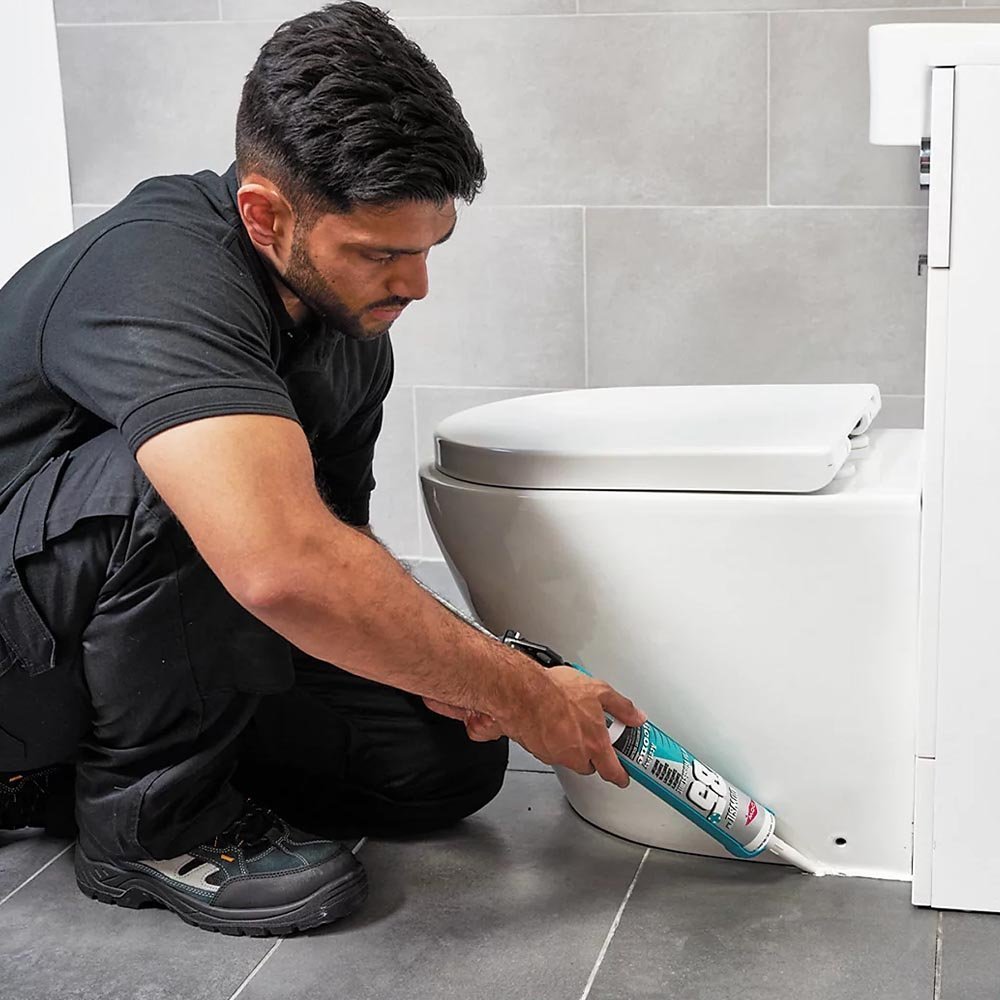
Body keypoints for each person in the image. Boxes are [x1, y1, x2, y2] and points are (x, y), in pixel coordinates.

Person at [0, 1, 645, 936]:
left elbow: (337, 544)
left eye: (428, 249)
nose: (416, 285)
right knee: (203, 486)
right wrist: (525, 692)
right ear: (265, 214)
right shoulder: (154, 276)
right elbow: (285, 565)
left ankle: (80, 775)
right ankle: (150, 831)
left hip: (118, 639)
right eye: (382, 253)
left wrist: (478, 675)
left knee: (439, 766)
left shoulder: (348, 328)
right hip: (18, 654)